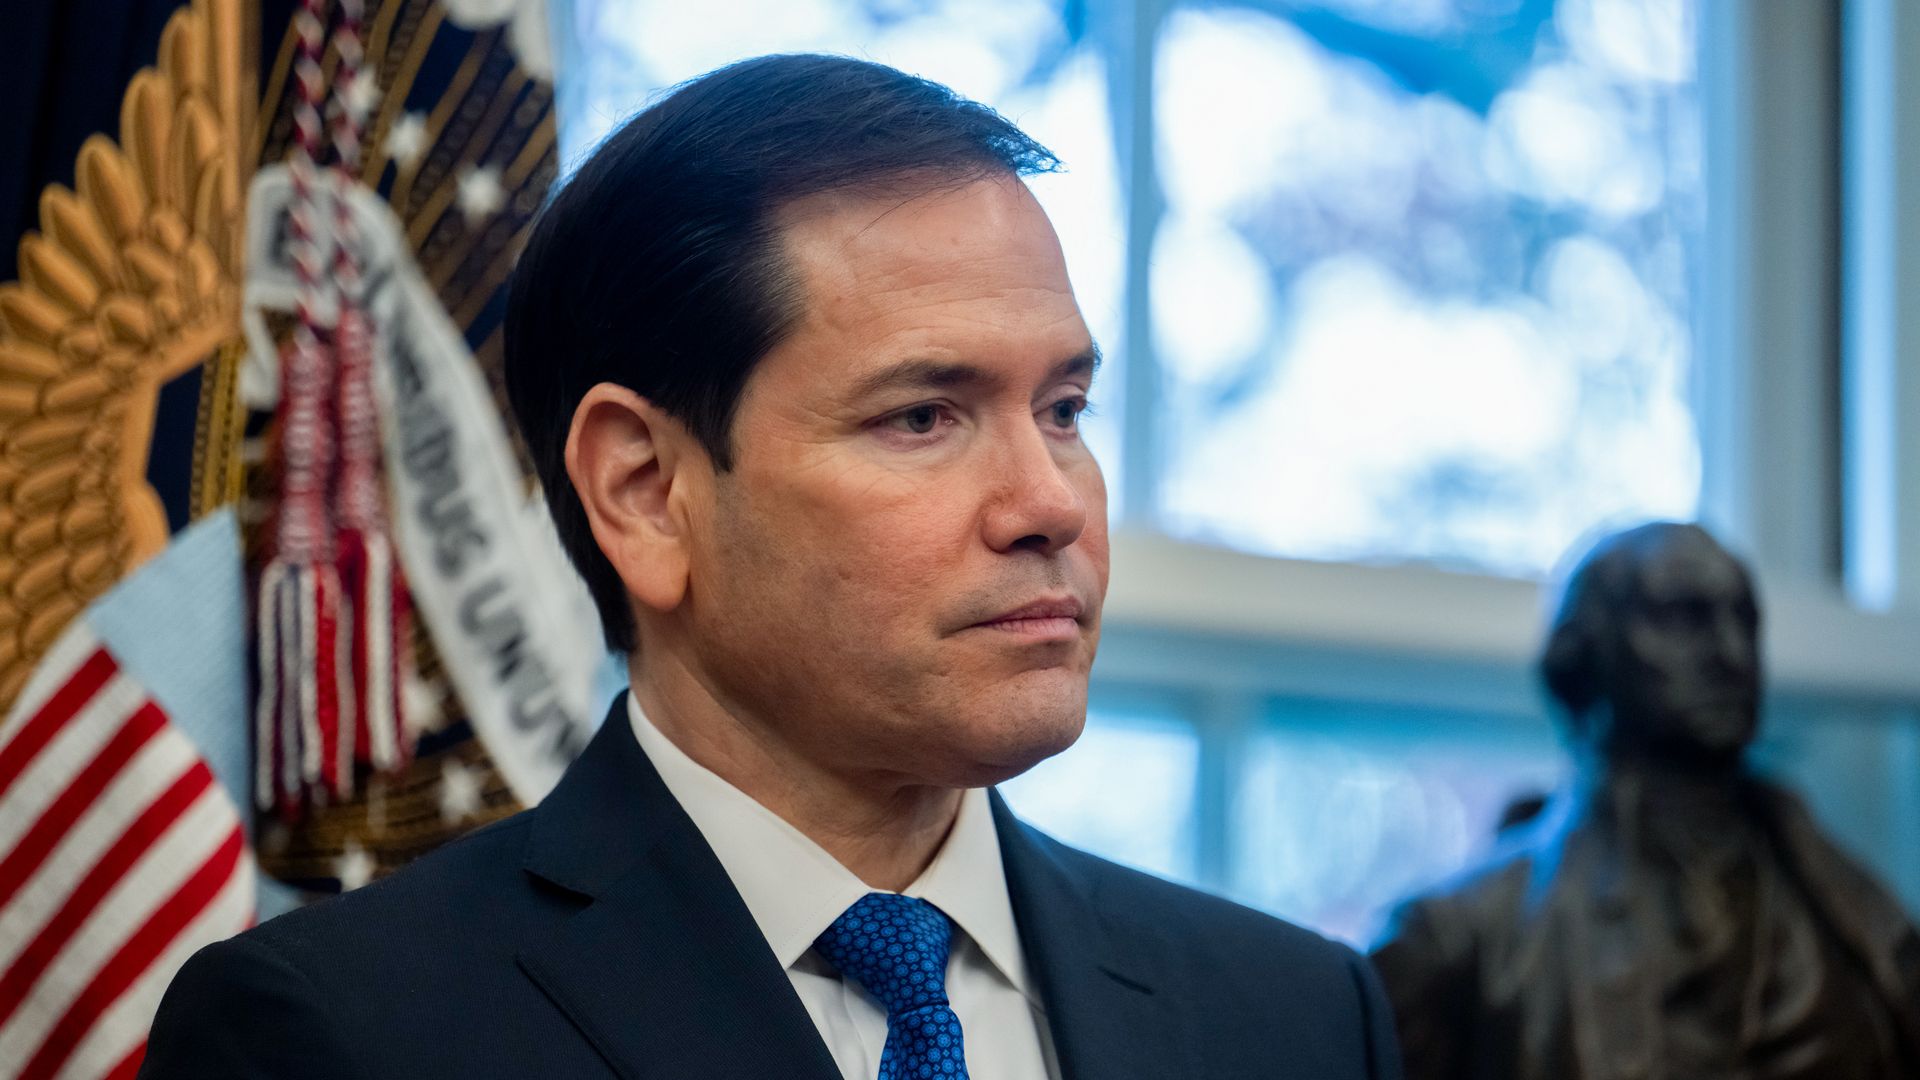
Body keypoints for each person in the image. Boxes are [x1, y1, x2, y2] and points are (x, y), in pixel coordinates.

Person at [140, 55, 1403, 1080]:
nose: (1049, 504)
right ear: (645, 492)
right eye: (924, 417)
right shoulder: (344, 1035)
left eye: (1064, 409)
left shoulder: (1296, 1019)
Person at [1370, 522, 1920, 1080]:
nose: (1733, 655)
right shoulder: (1454, 945)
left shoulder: (1865, 928)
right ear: (1583, 656)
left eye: (1745, 620)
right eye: (1683, 619)